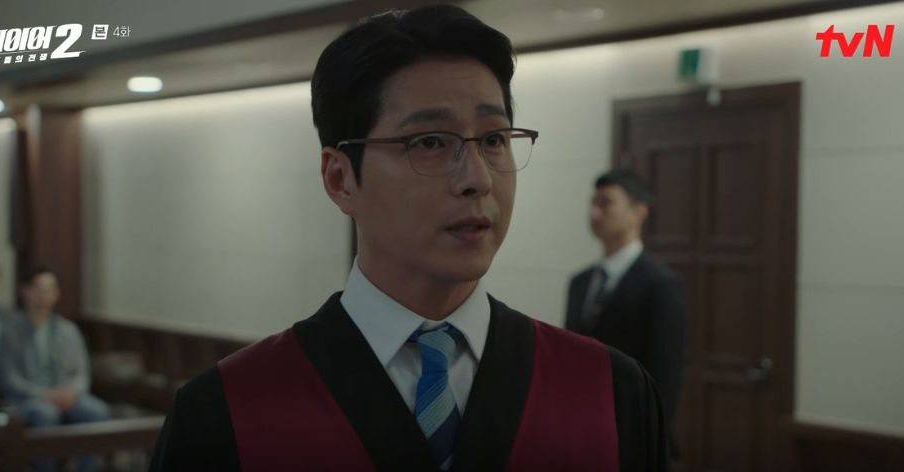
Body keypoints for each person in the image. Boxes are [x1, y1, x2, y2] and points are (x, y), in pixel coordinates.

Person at [150, 5, 670, 471]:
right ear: (340, 179)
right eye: (429, 142)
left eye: (493, 139)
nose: (478, 179)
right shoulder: (228, 413)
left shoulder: (609, 392)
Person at [564, 171, 688, 457]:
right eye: (593, 202)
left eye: (606, 203)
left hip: (631, 435)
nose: (594, 212)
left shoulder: (661, 285)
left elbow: (665, 377)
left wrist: (647, 441)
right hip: (578, 430)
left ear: (639, 212)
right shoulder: (580, 282)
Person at [0, 265, 110, 472]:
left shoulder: (68, 329)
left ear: (57, 293)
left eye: (50, 289)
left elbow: (81, 372)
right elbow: (10, 378)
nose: (44, 296)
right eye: (39, 289)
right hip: (29, 397)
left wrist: (71, 392)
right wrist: (45, 394)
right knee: (45, 414)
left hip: (66, 394)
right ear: (25, 291)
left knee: (96, 411)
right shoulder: (11, 330)